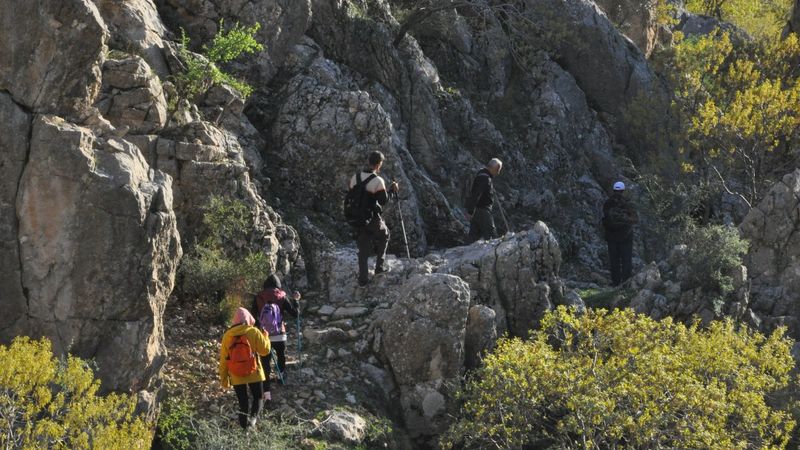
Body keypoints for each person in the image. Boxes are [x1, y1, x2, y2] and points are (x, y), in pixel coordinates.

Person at [349, 151, 399, 286]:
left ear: (368, 161)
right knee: (385, 235)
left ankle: (363, 280)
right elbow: (383, 200)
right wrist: (392, 191)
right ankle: (379, 268)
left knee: (363, 249)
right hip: (371, 218)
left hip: (357, 219)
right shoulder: (377, 180)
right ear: (379, 164)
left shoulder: (355, 177)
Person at [251, 274, 300, 404]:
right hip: (280, 334)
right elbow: (295, 314)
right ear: (278, 285)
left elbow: (252, 317)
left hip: (264, 335)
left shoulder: (258, 297)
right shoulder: (282, 297)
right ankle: (280, 376)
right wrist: (296, 301)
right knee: (281, 355)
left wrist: (260, 328)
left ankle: (267, 393)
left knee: (265, 363)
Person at [219, 307, 270, 430]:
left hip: (236, 374)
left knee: (243, 402)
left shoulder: (227, 335)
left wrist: (224, 379)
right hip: (254, 372)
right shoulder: (253, 331)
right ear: (248, 318)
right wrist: (266, 337)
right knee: (258, 397)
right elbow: (265, 351)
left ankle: (243, 430)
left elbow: (224, 360)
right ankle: (252, 422)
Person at [602, 181, 638, 286]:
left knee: (614, 260)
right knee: (626, 259)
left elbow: (604, 219)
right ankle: (626, 282)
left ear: (613, 190)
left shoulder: (607, 203)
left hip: (611, 236)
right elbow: (635, 219)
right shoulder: (627, 203)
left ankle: (615, 282)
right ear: (623, 190)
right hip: (626, 236)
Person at [465, 158, 502, 243]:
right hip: (483, 211)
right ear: (492, 168)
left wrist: (471, 210)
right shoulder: (484, 178)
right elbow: (476, 194)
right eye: (497, 170)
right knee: (492, 236)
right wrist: (470, 211)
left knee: (473, 236)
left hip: (477, 211)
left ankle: (466, 253)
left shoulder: (481, 175)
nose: (498, 173)